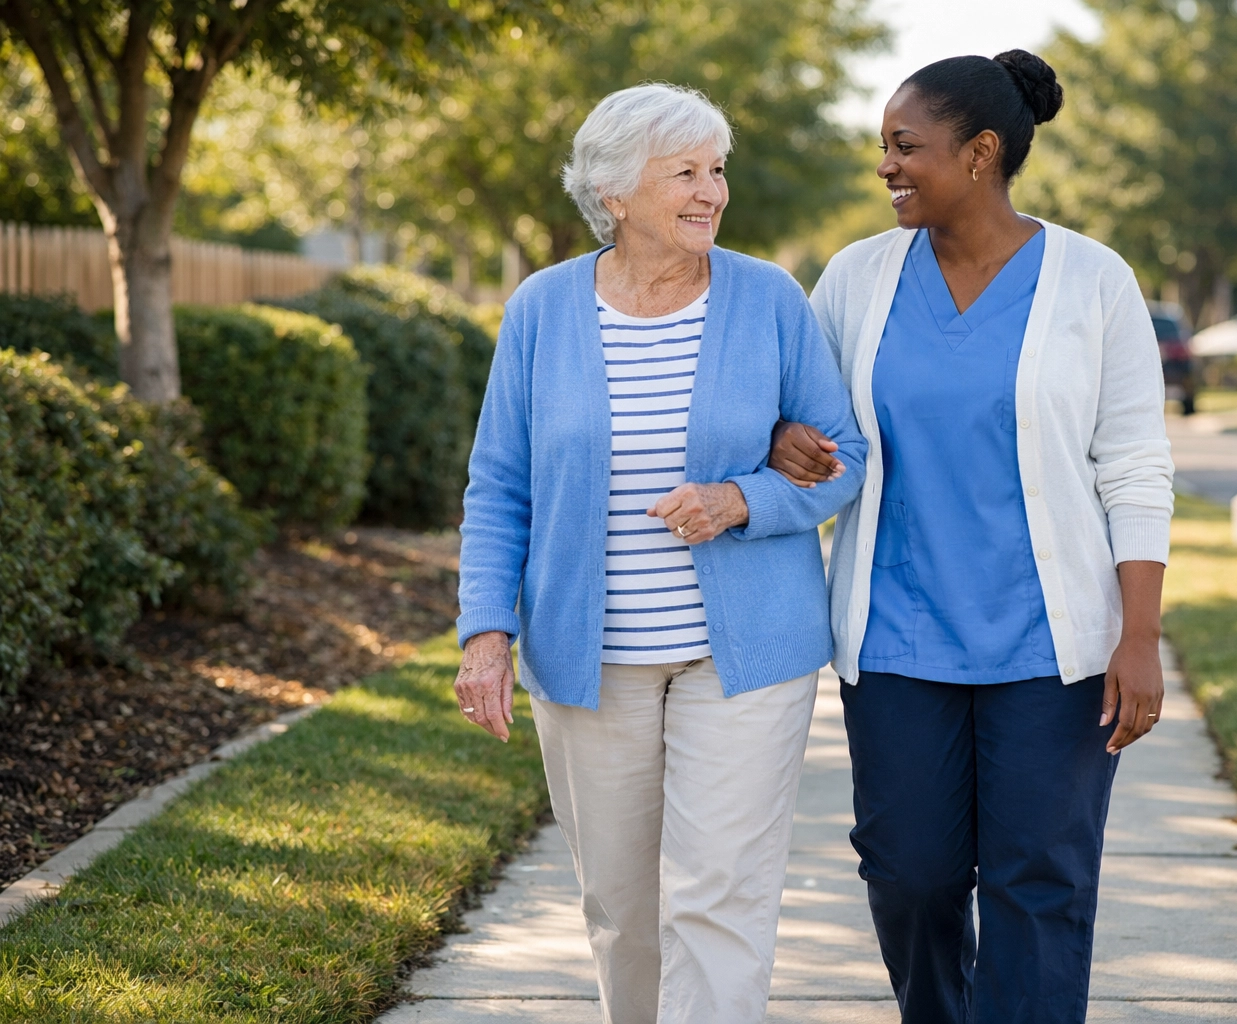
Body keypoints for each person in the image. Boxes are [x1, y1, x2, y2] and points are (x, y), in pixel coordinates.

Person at [769, 51, 1175, 1024]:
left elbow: (1133, 464)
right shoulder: (857, 278)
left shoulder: (1094, 281)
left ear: (981, 152)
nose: (887, 166)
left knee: (1040, 880)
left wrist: (1139, 633)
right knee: (909, 875)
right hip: (898, 641)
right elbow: (803, 411)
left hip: (1050, 648)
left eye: (905, 146)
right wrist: (784, 435)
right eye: (884, 147)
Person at [452, 83, 867, 1024]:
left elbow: (844, 456)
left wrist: (741, 500)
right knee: (621, 906)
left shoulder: (767, 297)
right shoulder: (543, 308)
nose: (712, 191)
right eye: (684, 172)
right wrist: (485, 633)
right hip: (591, 660)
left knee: (719, 897)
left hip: (745, 658)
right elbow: (500, 485)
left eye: (717, 170)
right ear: (614, 193)